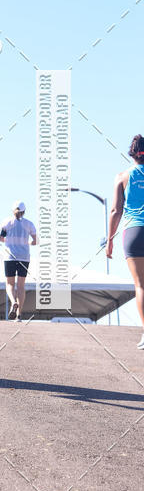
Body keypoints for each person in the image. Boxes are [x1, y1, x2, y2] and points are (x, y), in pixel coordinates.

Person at [106, 134, 144, 349]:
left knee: (141, 285)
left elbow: (115, 210)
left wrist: (110, 239)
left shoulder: (122, 176)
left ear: (131, 154)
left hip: (133, 231)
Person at [0, 201, 37, 320]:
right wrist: (28, 242)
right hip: (24, 257)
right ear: (24, 211)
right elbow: (35, 241)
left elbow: (0, 238)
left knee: (10, 284)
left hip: (10, 257)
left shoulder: (6, 222)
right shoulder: (29, 224)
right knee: (21, 286)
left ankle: (13, 302)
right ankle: (19, 314)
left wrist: (9, 242)